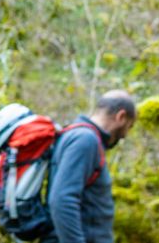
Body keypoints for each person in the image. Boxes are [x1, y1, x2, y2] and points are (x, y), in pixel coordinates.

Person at [41, 90, 137, 243]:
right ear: (121, 116)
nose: (125, 134)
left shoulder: (76, 135)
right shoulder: (85, 140)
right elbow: (62, 200)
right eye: (129, 126)